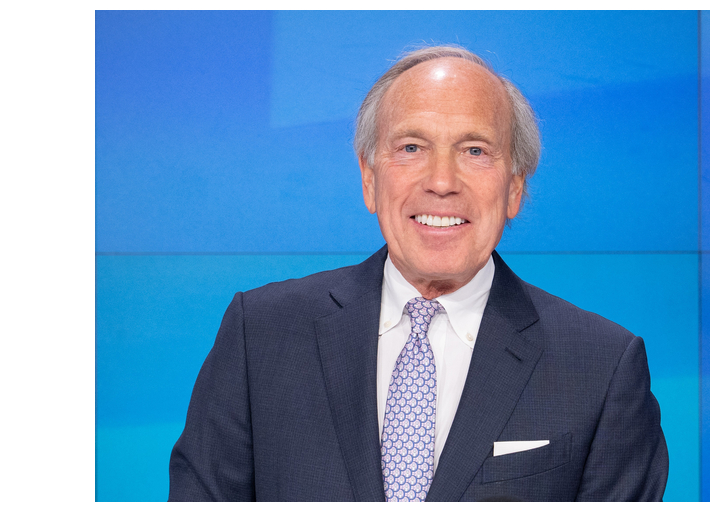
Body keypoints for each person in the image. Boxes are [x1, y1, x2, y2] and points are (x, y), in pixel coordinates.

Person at [168, 45, 668, 502]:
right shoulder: (260, 334)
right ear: (369, 178)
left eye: (475, 150)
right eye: (411, 148)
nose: (442, 182)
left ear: (515, 188)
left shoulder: (603, 367)